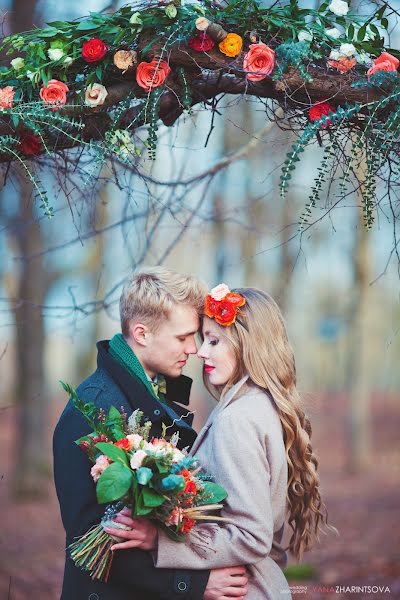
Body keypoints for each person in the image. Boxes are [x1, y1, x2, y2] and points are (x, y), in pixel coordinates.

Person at [105, 285, 331, 600]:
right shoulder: (261, 404)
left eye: (213, 341)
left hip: (240, 589)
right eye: (202, 340)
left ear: (248, 346)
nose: (200, 351)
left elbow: (251, 536)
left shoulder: (236, 420)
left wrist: (159, 539)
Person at [53, 269, 249, 600]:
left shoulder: (150, 392)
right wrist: (193, 584)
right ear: (142, 333)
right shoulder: (95, 410)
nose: (194, 349)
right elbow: (93, 538)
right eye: (183, 337)